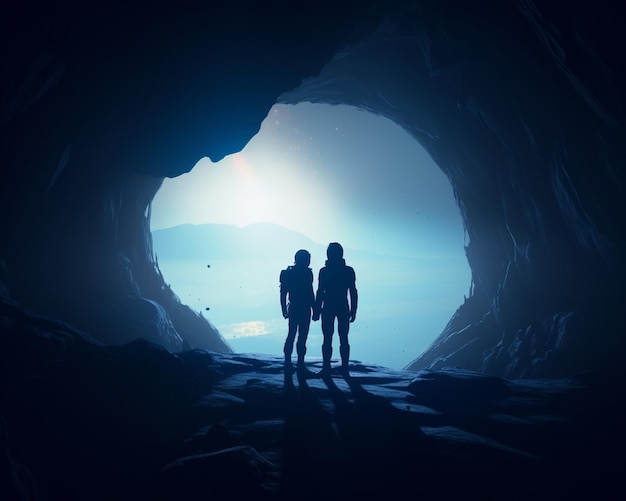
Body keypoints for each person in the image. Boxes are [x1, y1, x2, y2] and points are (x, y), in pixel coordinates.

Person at [313, 242, 358, 377]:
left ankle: (328, 368)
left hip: (329, 307)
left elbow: (320, 291)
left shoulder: (325, 271)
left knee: (330, 338)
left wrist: (316, 310)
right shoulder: (347, 270)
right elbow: (353, 292)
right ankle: (342, 368)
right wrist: (353, 309)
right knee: (341, 337)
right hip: (341, 306)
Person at [280, 249, 315, 374]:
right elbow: (284, 292)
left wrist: (284, 308)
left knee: (297, 336)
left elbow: (309, 292)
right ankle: (293, 363)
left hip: (298, 308)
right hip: (300, 308)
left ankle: (294, 363)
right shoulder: (297, 273)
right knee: (296, 336)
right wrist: (315, 308)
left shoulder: (291, 273)